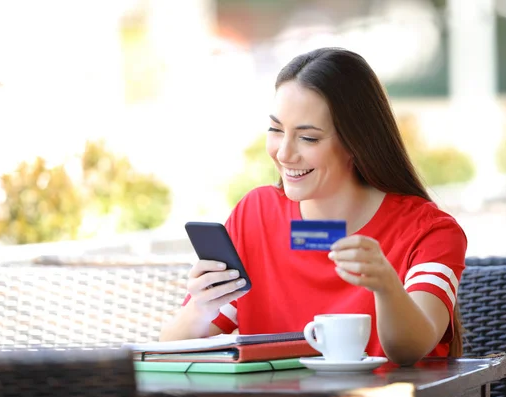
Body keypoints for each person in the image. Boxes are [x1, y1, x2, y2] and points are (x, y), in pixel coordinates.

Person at [159, 47, 467, 365]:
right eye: (276, 130)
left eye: (308, 138)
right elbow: (169, 351)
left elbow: (410, 350)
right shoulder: (256, 214)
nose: (284, 153)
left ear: (355, 142)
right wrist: (201, 306)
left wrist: (387, 286)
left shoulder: (430, 231)